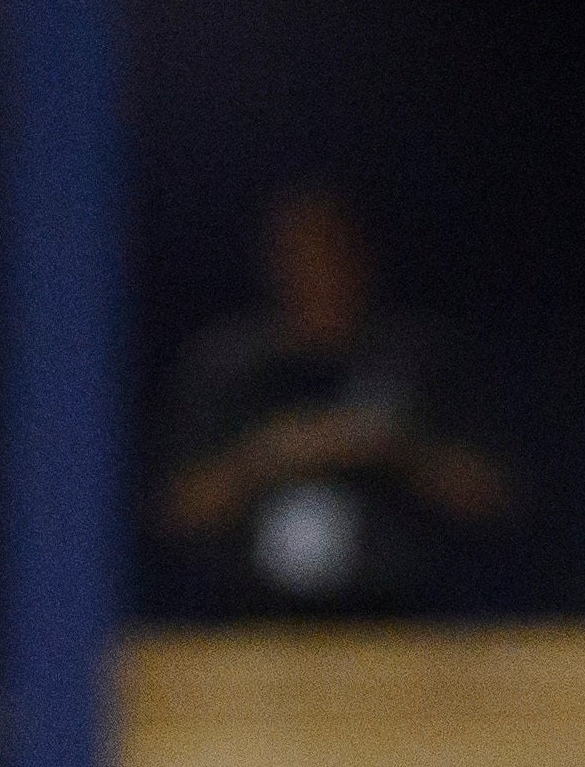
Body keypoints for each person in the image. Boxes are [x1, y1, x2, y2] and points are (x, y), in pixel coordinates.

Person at [152, 186, 506, 617]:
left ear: (362, 263)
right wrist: (268, 454)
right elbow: (179, 511)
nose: (317, 274)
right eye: (299, 260)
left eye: (331, 256)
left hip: (398, 627)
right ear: (273, 268)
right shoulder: (227, 366)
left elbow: (490, 497)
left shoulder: (417, 359)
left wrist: (390, 447)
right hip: (251, 632)